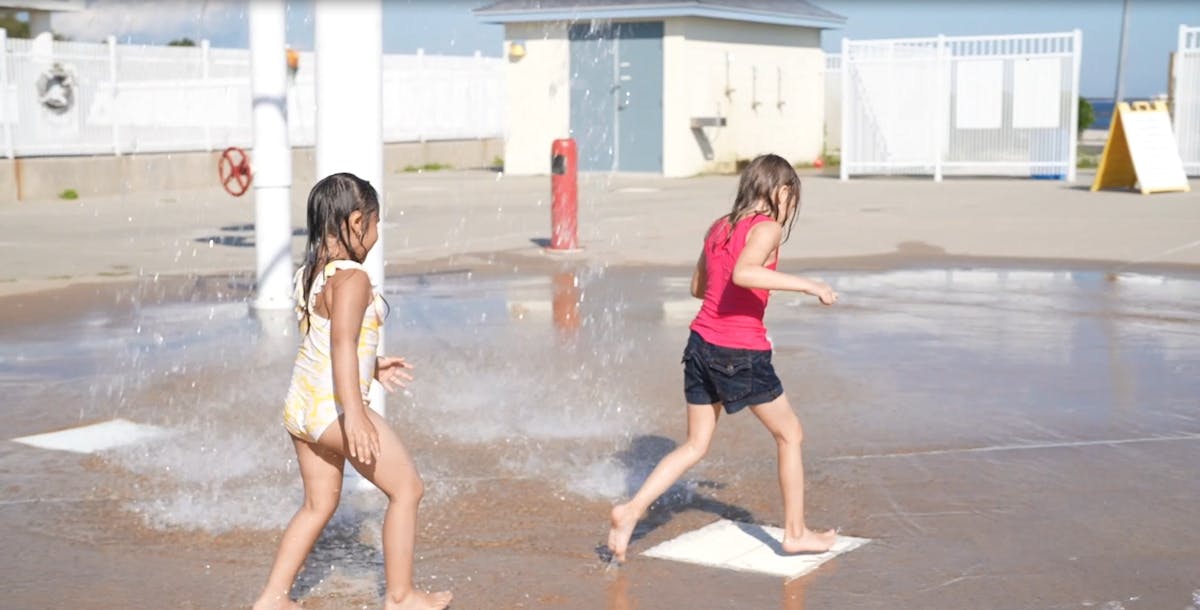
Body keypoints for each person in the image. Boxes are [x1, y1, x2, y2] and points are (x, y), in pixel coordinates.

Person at [607, 154, 839, 563]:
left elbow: (699, 286)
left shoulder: (720, 226)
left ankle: (630, 512)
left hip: (700, 345)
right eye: (792, 198)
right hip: (739, 351)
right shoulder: (766, 228)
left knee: (696, 445)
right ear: (780, 191)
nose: (790, 209)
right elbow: (743, 274)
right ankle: (797, 533)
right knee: (791, 435)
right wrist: (808, 285)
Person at [254, 173, 452, 610]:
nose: (378, 235)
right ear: (358, 221)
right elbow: (342, 342)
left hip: (302, 406)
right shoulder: (354, 279)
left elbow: (325, 339)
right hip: (333, 410)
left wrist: (374, 365)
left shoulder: (313, 273)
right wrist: (357, 413)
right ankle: (401, 597)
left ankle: (273, 598)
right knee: (407, 490)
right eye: (377, 224)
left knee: (317, 504)